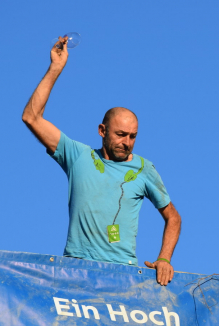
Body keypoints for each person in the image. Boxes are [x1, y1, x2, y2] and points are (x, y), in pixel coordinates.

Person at [21, 36, 181, 286]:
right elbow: (31, 117)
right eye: (120, 135)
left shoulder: (143, 169)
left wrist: (165, 259)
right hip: (75, 269)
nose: (126, 142)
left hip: (123, 275)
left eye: (133, 136)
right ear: (102, 131)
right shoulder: (78, 156)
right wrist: (55, 68)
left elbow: (173, 217)